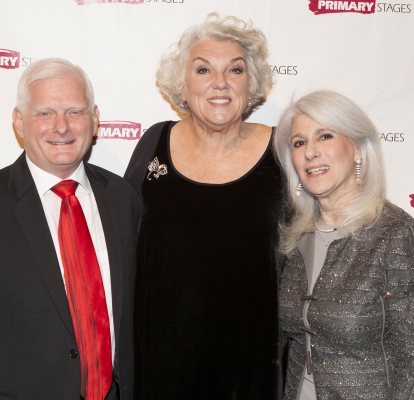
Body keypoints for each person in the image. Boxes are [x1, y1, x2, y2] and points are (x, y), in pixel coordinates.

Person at [0, 58, 141, 400]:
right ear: (19, 121)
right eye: (45, 113)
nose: (61, 127)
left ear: (95, 118)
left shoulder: (123, 198)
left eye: (75, 112)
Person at [124, 13, 284, 399]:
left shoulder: (284, 150)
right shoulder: (153, 143)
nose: (220, 83)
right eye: (203, 69)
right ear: (182, 85)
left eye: (235, 69)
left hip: (254, 369)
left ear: (253, 82)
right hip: (160, 365)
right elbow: (119, 243)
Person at [274, 90, 414, 399]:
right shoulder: (297, 238)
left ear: (358, 150)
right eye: (299, 143)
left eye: (324, 136)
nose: (310, 152)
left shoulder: (397, 236)